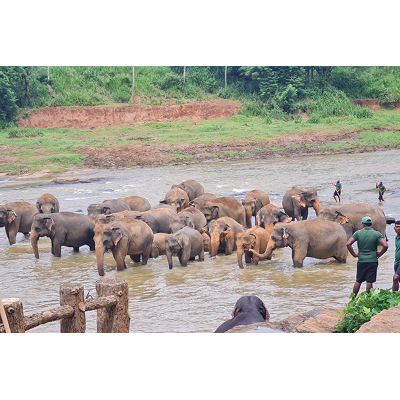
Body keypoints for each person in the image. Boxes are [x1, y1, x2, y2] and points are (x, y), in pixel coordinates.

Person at [346, 216, 388, 299]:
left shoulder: (358, 233)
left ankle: (353, 299)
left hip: (361, 260)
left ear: (363, 224)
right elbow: (385, 245)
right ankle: (368, 299)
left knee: (358, 281)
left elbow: (348, 244)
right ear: (371, 224)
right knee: (369, 281)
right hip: (372, 260)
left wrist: (354, 254)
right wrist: (380, 254)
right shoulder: (377, 234)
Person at [393, 220, 400, 291]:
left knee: (395, 278)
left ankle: (393, 297)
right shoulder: (396, 238)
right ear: (394, 228)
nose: (398, 229)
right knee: (397, 280)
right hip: (397, 262)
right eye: (397, 227)